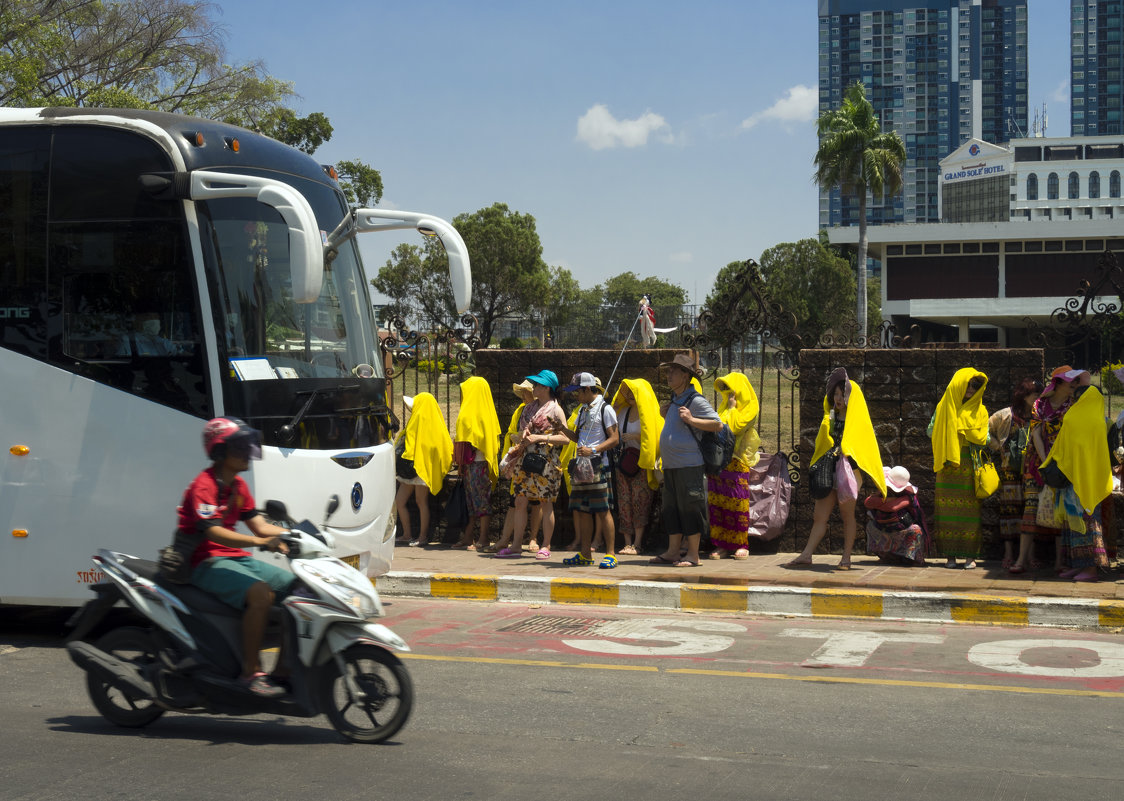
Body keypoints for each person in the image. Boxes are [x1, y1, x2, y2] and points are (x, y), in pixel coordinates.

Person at [176, 417, 294, 697]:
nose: (246, 452)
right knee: (260, 594)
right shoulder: (202, 486)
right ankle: (250, 672)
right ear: (219, 451)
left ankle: (283, 670)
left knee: (298, 590)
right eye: (239, 447)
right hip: (205, 561)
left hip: (235, 557)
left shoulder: (238, 486)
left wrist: (291, 534)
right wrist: (259, 541)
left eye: (246, 446)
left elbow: (258, 523)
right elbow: (214, 533)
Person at [786, 368, 886, 570]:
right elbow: (825, 441)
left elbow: (863, 448)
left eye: (843, 394)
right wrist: (827, 424)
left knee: (847, 515)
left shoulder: (858, 421)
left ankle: (846, 557)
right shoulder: (830, 416)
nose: (838, 398)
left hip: (849, 473)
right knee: (819, 516)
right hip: (828, 470)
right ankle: (806, 554)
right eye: (836, 394)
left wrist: (846, 448)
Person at [648, 352, 722, 568]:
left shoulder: (696, 400)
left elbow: (717, 424)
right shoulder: (675, 399)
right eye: (669, 371)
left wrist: (692, 419)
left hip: (689, 465)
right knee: (671, 509)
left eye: (674, 371)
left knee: (691, 508)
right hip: (671, 465)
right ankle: (673, 551)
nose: (669, 375)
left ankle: (693, 554)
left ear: (686, 376)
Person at [1042, 370, 1112, 582]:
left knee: (1083, 524)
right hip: (1090, 480)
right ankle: (1079, 566)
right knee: (1081, 523)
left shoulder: (1076, 417)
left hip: (1075, 479)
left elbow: (1066, 447)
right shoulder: (1099, 421)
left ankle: (1089, 569)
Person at [497, 369, 568, 558]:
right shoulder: (529, 408)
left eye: (536, 385)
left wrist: (539, 438)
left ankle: (546, 545)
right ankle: (517, 545)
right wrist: (525, 436)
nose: (533, 387)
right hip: (525, 459)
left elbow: (566, 438)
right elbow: (523, 432)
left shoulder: (555, 409)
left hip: (546, 462)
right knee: (520, 500)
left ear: (546, 387)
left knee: (546, 503)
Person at [1016, 367, 1077, 574]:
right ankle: (1021, 560)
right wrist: (1046, 462)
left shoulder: (1073, 406)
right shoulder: (1039, 405)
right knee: (1030, 509)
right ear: (1059, 383)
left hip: (1063, 465)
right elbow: (1036, 434)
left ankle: (1060, 561)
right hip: (1037, 464)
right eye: (1071, 383)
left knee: (1062, 511)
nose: (1074, 387)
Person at [930, 367, 989, 569]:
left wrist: (965, 431)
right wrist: (950, 431)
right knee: (946, 513)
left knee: (971, 514)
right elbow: (931, 431)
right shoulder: (944, 407)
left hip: (969, 467)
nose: (972, 390)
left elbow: (985, 438)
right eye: (969, 385)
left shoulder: (980, 410)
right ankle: (950, 557)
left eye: (976, 386)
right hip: (947, 465)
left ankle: (970, 558)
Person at [558, 373, 619, 568]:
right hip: (581, 466)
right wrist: (561, 428)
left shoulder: (605, 409)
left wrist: (593, 449)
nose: (575, 395)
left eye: (577, 391)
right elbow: (577, 437)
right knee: (582, 510)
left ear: (586, 389)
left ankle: (610, 554)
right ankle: (585, 554)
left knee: (602, 510)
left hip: (598, 464)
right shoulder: (583, 410)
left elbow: (615, 438)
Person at [989, 377, 1044, 574]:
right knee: (1009, 511)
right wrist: (999, 448)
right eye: (1034, 392)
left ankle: (1029, 554)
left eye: (1039, 392)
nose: (1037, 396)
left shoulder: (1041, 414)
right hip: (1009, 469)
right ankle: (1008, 553)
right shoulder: (1005, 415)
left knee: (1030, 512)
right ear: (1024, 394)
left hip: (1032, 469)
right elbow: (985, 432)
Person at [707, 372, 761, 560]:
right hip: (720, 463)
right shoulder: (723, 408)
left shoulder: (750, 407)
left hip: (737, 462)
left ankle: (741, 543)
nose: (728, 396)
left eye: (731, 391)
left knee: (737, 504)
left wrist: (731, 409)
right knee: (718, 504)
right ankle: (721, 545)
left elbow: (733, 427)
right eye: (726, 392)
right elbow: (715, 426)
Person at [488, 380, 543, 553]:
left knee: (536, 502)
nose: (524, 395)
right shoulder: (520, 410)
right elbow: (512, 431)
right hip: (520, 461)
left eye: (527, 392)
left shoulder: (544, 409)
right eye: (523, 392)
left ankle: (533, 539)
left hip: (536, 460)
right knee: (515, 501)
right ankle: (505, 539)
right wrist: (515, 437)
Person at [394, 392, 453, 547]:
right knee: (401, 501)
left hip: (419, 469)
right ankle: (408, 535)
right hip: (414, 469)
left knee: (419, 502)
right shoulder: (433, 423)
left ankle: (422, 537)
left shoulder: (420, 421)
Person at [611, 378, 661, 555]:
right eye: (627, 392)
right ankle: (627, 542)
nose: (630, 395)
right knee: (624, 502)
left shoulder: (647, 412)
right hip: (624, 462)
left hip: (642, 463)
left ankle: (638, 543)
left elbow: (653, 436)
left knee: (641, 502)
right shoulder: (623, 411)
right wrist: (614, 408)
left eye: (633, 392)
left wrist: (635, 437)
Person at [452, 376, 502, 551]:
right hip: (470, 464)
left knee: (481, 502)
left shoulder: (474, 413)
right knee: (471, 502)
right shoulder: (483, 412)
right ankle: (468, 537)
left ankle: (483, 538)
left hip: (478, 463)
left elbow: (473, 439)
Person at [864, 465, 932, 566]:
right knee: (871, 525)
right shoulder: (883, 492)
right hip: (885, 527)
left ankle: (911, 558)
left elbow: (892, 507)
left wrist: (882, 503)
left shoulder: (908, 496)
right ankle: (890, 557)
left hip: (904, 528)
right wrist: (885, 500)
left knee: (915, 530)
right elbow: (868, 502)